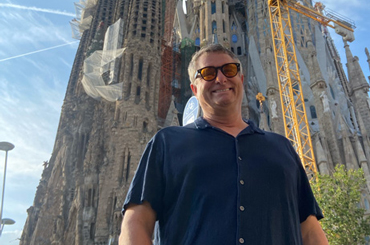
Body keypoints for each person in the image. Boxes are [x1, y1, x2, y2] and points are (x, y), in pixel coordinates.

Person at [119, 44, 328, 245]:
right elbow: (136, 221)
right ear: (194, 88)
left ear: (241, 79)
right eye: (208, 73)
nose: (220, 78)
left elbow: (309, 230)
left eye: (229, 70)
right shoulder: (167, 142)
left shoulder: (281, 147)